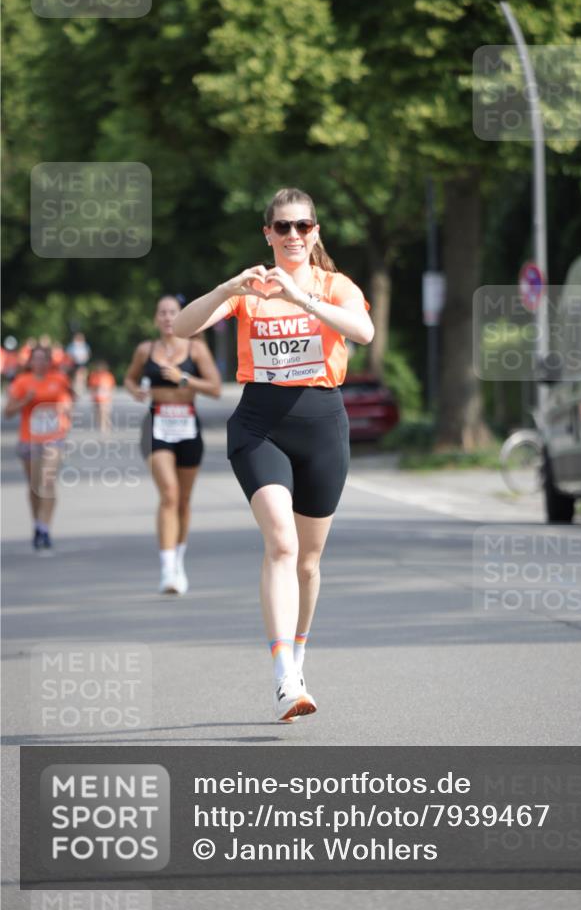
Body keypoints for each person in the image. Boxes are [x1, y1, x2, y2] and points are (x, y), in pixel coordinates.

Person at [173, 187, 374, 722]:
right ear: (267, 233)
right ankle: (284, 674)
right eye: (281, 227)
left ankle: (300, 651)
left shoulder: (335, 285)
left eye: (302, 226)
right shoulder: (251, 289)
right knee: (281, 544)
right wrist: (227, 287)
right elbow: (180, 327)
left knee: (308, 561)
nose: (292, 236)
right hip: (260, 425)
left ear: (315, 232)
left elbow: (364, 332)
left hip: (323, 426)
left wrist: (301, 298)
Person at [124, 295, 221, 595]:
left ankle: (178, 560)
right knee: (169, 493)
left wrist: (184, 379)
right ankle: (167, 570)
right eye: (162, 313)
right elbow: (129, 379)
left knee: (184, 500)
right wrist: (135, 392)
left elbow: (215, 388)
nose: (167, 318)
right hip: (157, 424)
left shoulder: (197, 348)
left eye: (173, 313)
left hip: (188, 425)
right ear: (155, 319)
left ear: (182, 317)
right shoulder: (146, 350)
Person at [3, 345, 73, 553]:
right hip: (29, 439)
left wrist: (67, 409)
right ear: (30, 362)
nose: (40, 363)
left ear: (50, 361)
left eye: (44, 359)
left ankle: (45, 528)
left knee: (48, 480)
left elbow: (68, 401)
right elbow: (7, 412)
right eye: (37, 359)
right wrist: (26, 400)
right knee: (34, 485)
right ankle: (36, 523)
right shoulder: (22, 382)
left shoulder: (59, 380)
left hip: (54, 437)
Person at [87, 360, 116, 433]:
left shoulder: (108, 376)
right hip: (97, 397)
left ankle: (104, 428)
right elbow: (92, 387)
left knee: (104, 412)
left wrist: (111, 396)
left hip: (105, 398)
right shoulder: (94, 376)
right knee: (98, 413)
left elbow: (112, 387)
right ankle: (103, 426)